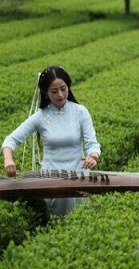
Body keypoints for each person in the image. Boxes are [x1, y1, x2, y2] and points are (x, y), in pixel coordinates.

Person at [2, 66, 101, 216]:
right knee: (55, 224)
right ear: (46, 93)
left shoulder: (80, 112)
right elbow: (10, 140)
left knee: (79, 219)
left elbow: (92, 143)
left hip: (78, 177)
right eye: (54, 91)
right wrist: (8, 160)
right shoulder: (41, 116)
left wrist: (93, 156)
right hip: (50, 179)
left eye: (63, 88)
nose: (60, 95)